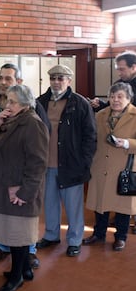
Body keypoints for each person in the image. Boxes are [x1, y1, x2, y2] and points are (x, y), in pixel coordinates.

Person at [0, 84, 49, 291]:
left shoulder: (32, 124)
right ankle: (25, 269)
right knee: (14, 233)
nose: (7, 105)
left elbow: (38, 164)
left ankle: (16, 277)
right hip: (5, 186)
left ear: (25, 104)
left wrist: (25, 193)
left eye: (12, 102)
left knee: (18, 236)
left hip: (19, 190)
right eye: (7, 101)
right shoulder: (11, 121)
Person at [36, 64, 97, 257]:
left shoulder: (79, 103)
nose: (56, 82)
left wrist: (84, 163)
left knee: (73, 206)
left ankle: (75, 240)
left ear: (69, 80)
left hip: (71, 165)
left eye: (60, 78)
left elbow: (90, 135)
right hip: (46, 165)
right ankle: (51, 235)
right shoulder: (40, 102)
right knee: (50, 203)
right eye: (53, 78)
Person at [84, 82, 136, 251]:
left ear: (128, 98)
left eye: (120, 96)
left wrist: (127, 143)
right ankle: (98, 233)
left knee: (122, 205)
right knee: (101, 201)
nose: (115, 100)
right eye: (112, 96)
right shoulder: (100, 115)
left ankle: (120, 237)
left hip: (124, 166)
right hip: (101, 165)